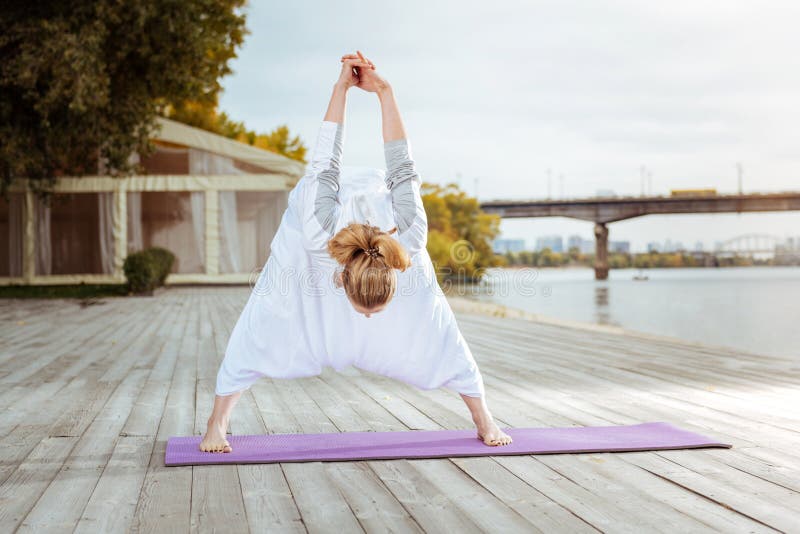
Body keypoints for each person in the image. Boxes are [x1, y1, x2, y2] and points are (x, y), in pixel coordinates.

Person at [200, 51, 512, 453]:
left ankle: (484, 417)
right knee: (265, 314)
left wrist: (384, 91)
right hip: (316, 224)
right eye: (365, 310)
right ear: (339, 277)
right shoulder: (317, 230)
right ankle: (217, 422)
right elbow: (325, 162)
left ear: (395, 276)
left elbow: (401, 164)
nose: (364, 318)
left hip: (380, 211)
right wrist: (340, 89)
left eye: (370, 312)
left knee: (436, 322)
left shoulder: (410, 236)